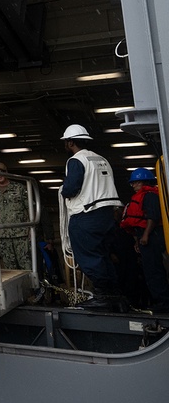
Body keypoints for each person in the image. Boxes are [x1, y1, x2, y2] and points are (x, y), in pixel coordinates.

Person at [59, 124, 126, 311]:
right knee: (103, 255)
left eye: (66, 142)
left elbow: (71, 188)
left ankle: (102, 296)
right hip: (106, 215)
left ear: (71, 142)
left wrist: (64, 190)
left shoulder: (76, 160)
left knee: (89, 257)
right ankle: (115, 296)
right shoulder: (101, 159)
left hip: (86, 215)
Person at [122, 168, 169, 310]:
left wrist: (146, 235)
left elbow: (153, 217)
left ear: (143, 182)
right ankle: (160, 301)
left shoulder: (149, 196)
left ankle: (164, 302)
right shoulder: (143, 196)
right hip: (145, 236)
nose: (133, 186)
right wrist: (138, 240)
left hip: (153, 236)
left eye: (135, 183)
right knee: (150, 271)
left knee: (154, 270)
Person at [0, 162, 32, 270]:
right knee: (9, 267)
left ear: (6, 172)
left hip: (20, 233)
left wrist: (31, 229)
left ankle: (29, 286)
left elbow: (29, 208)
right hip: (2, 235)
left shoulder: (19, 188)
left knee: (26, 264)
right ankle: (15, 287)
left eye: (1, 172)